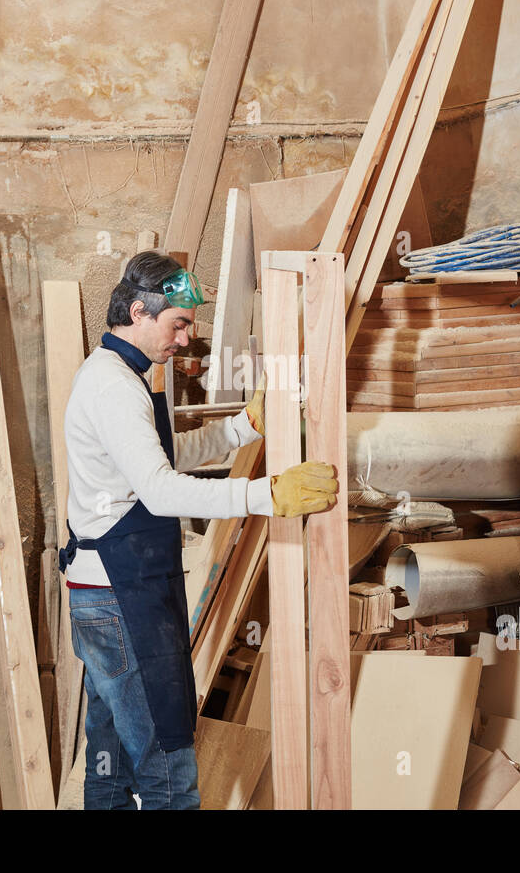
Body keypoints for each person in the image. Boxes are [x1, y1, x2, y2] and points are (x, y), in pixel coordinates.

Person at [59, 250, 337, 809]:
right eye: (178, 324)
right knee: (168, 774)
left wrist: (242, 428)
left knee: (110, 770)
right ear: (138, 311)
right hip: (121, 599)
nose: (185, 340)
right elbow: (161, 491)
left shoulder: (122, 374)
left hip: (109, 593)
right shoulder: (116, 386)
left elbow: (156, 458)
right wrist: (267, 495)